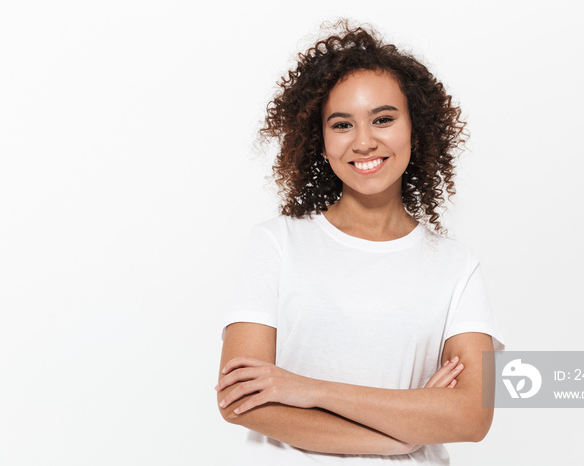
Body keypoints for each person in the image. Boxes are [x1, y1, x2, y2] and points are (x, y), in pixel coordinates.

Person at [216, 20, 504, 465]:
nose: (364, 142)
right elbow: (239, 399)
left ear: (415, 128)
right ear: (321, 140)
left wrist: (307, 390)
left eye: (383, 119)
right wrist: (401, 437)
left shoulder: (455, 267)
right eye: (342, 124)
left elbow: (472, 416)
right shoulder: (278, 244)